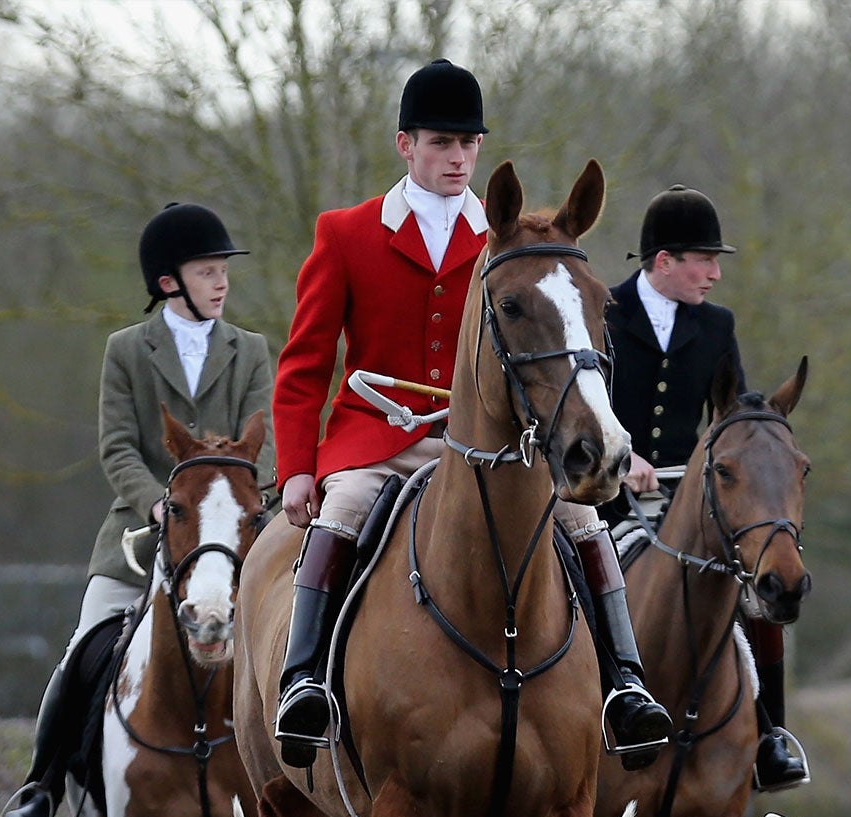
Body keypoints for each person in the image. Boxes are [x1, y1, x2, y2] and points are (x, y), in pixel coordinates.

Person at [266, 60, 669, 769]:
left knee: (581, 518)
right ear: (406, 144)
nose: (457, 158)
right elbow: (303, 367)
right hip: (377, 438)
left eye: (468, 144)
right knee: (345, 508)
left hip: (489, 442)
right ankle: (304, 684)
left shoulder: (509, 239)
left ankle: (626, 686)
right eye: (441, 143)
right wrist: (299, 469)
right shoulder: (346, 234)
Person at [2, 202, 274, 817]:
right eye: (208, 271)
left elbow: (268, 442)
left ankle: (308, 775)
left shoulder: (251, 351)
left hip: (229, 535)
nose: (221, 283)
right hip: (139, 532)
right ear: (168, 282)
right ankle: (41, 787)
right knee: (80, 649)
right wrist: (157, 501)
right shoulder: (126, 350)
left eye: (222, 272)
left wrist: (230, 503)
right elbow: (117, 446)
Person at [605, 186, 805, 791]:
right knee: (568, 577)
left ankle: (770, 730)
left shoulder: (717, 325)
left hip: (690, 492)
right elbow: (576, 404)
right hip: (602, 488)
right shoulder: (604, 312)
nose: (716, 274)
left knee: (759, 576)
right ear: (663, 261)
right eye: (704, 260)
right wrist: (621, 453)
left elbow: (732, 415)